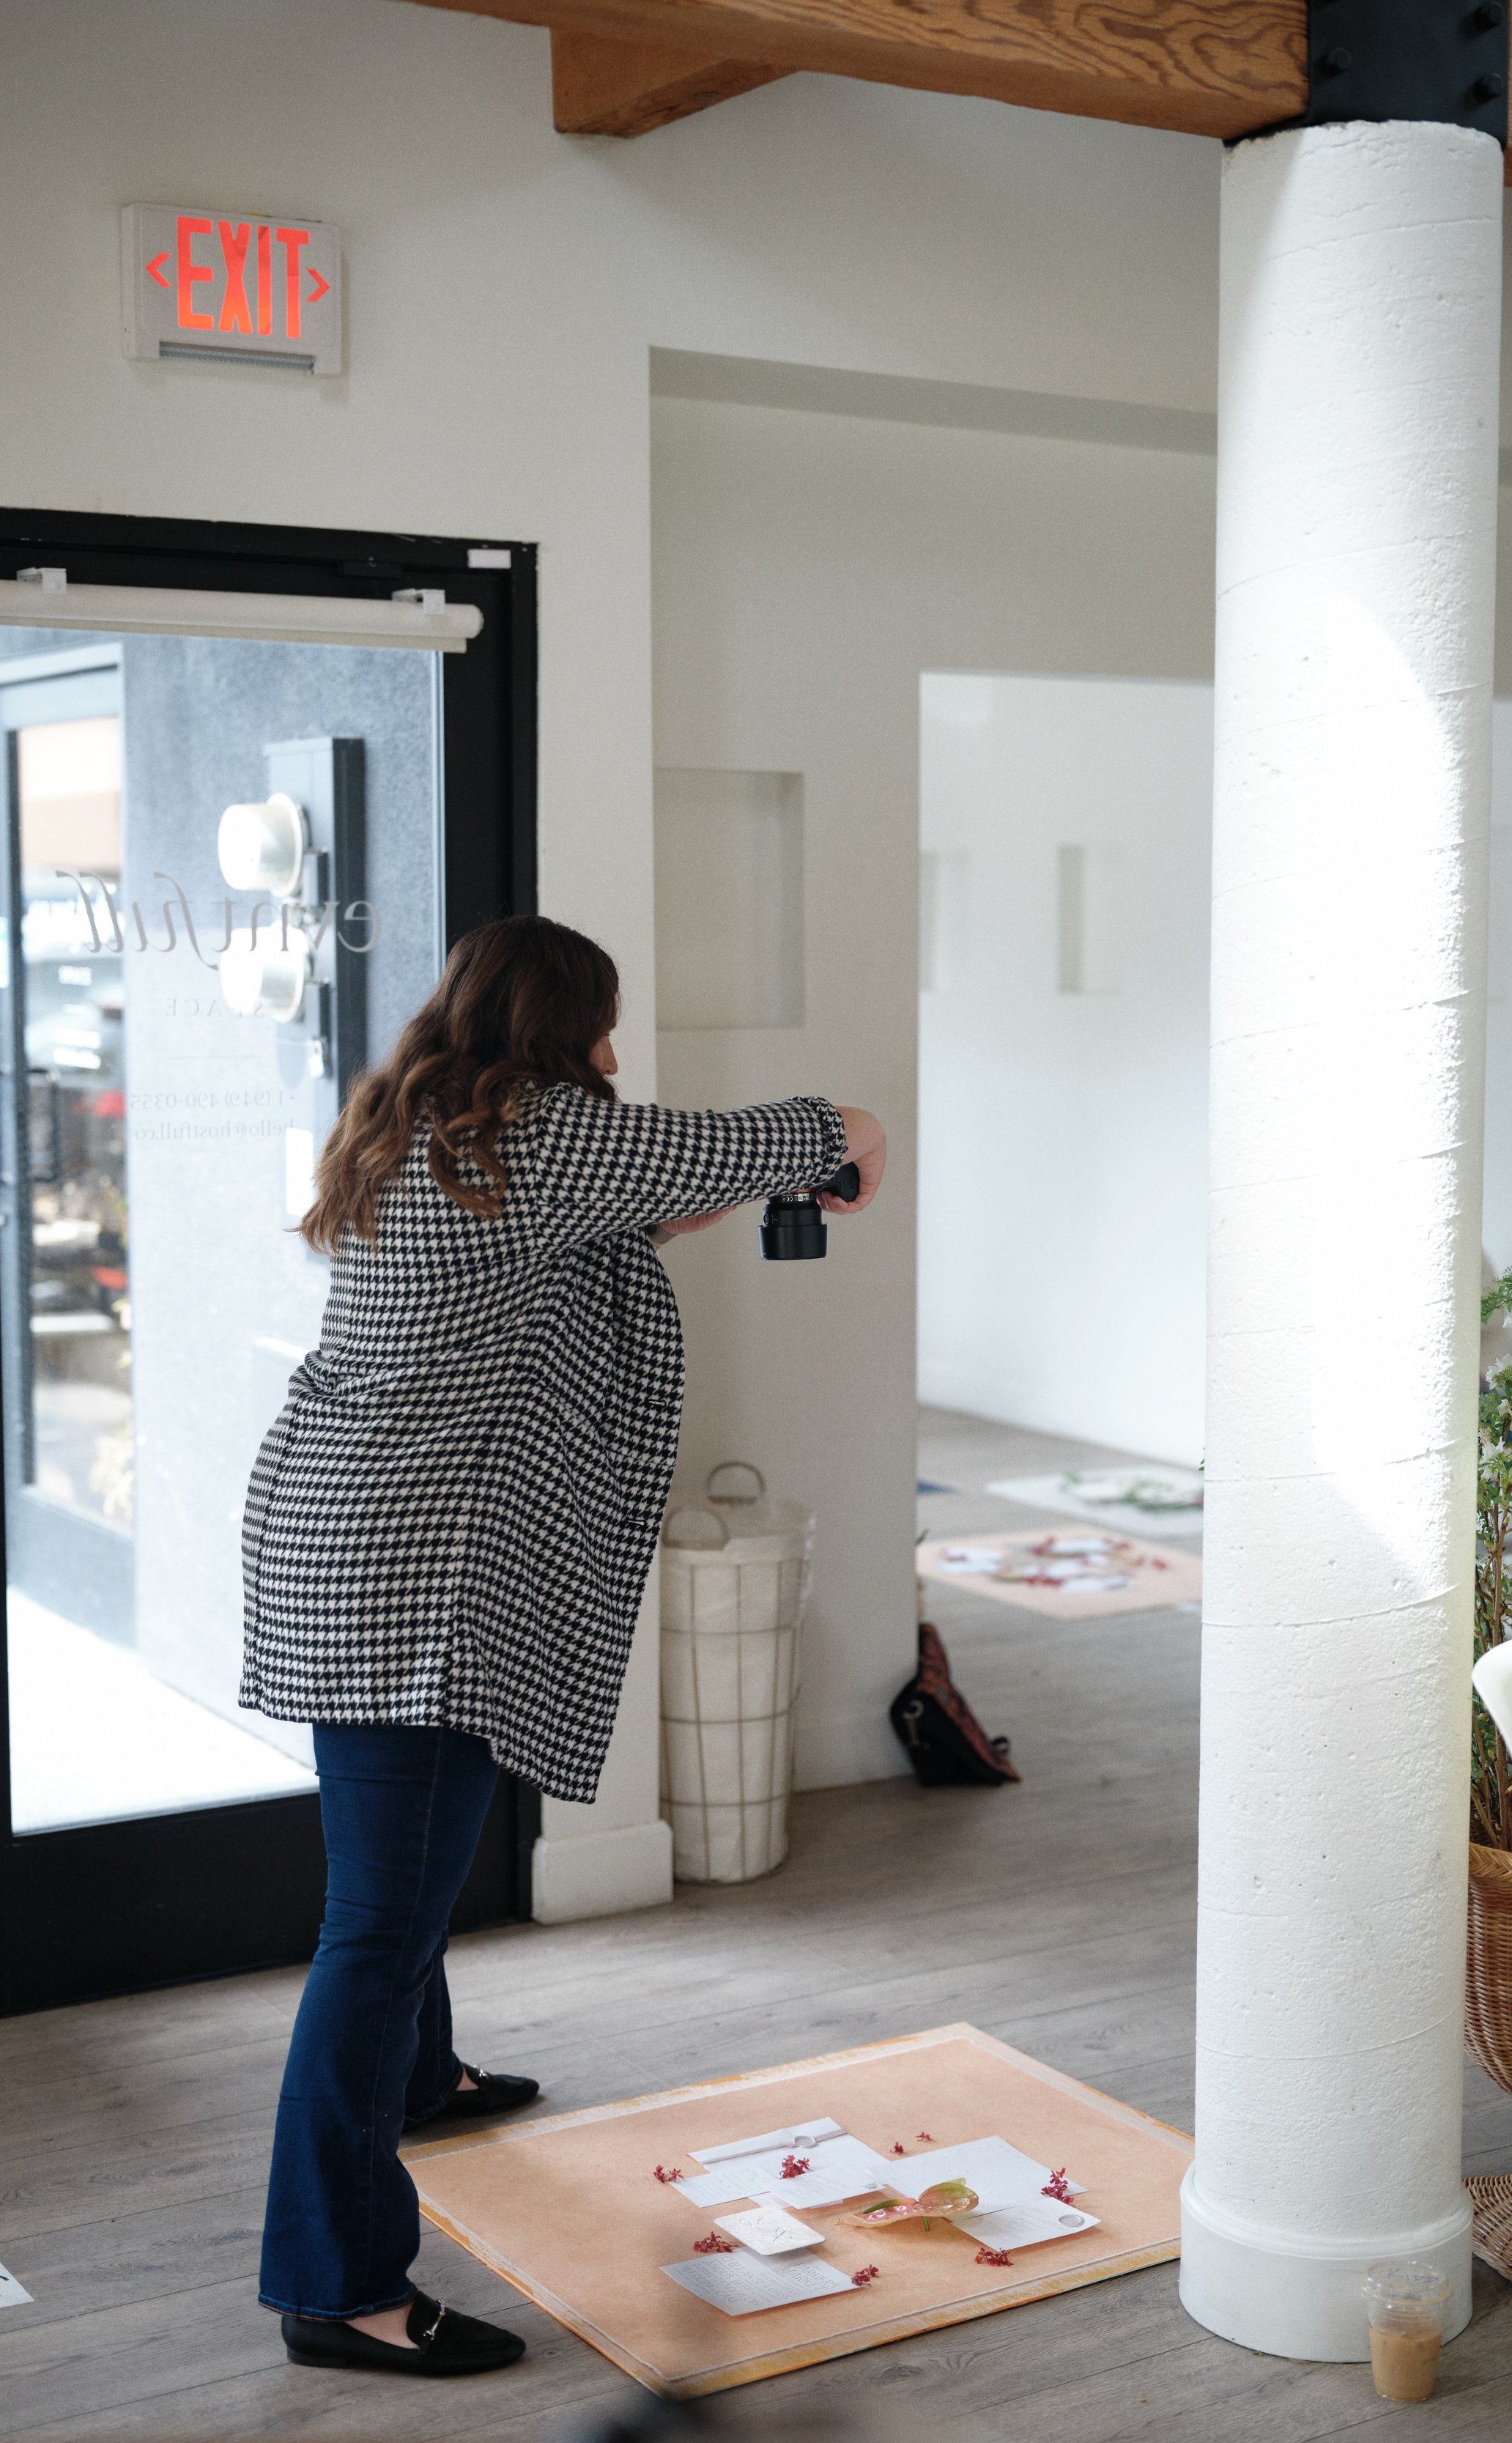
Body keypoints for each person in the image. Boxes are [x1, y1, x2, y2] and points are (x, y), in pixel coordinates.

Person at [240, 914, 884, 2377]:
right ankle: (334, 2280)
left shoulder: (436, 1121)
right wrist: (843, 1145)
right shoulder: (540, 1131)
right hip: (419, 1566)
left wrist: (735, 1181)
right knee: (380, 1917)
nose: (616, 1049)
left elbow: (629, 1210)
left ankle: (424, 2074)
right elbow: (820, 1126)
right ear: (561, 1028)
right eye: (604, 1023)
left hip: (354, 1534)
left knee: (398, 1873)